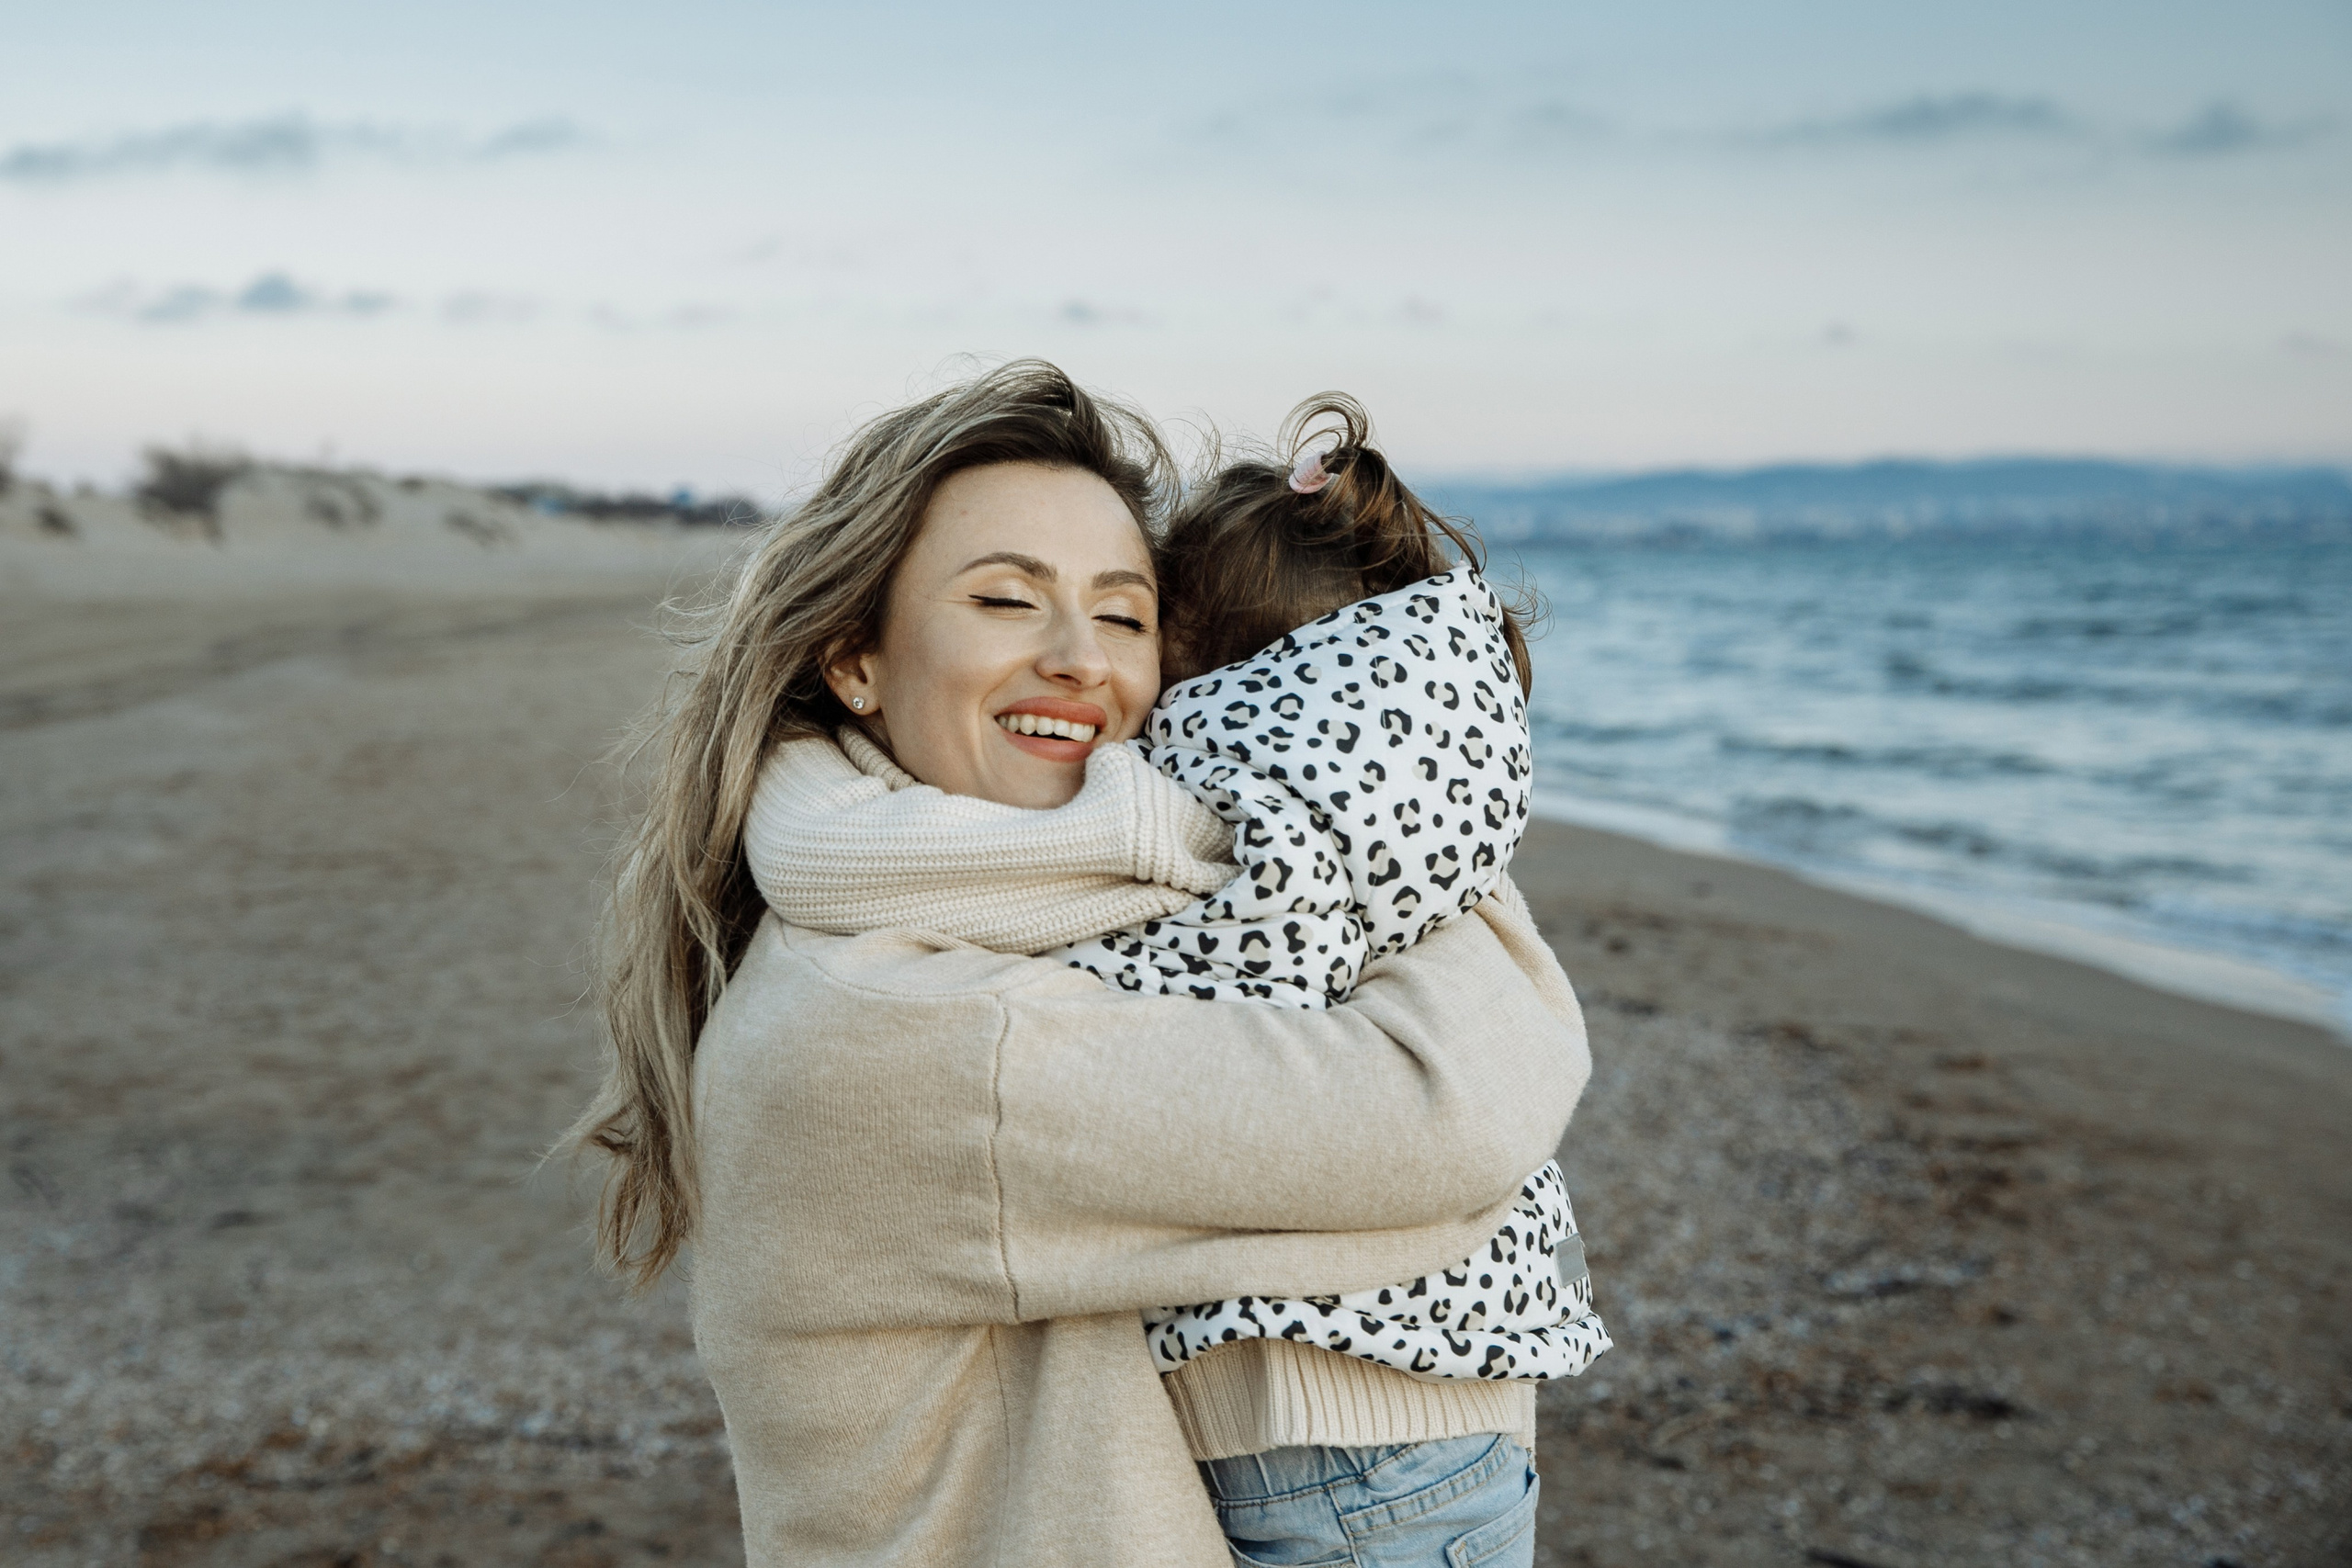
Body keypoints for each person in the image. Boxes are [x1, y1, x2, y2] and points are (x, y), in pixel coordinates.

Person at [570, 361, 1591, 1567]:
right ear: (854, 658)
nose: (1080, 659)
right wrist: (1443, 884)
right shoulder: (895, 1027)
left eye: (1124, 614)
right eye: (1006, 602)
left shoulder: (944, 903)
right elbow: (1442, 1122)